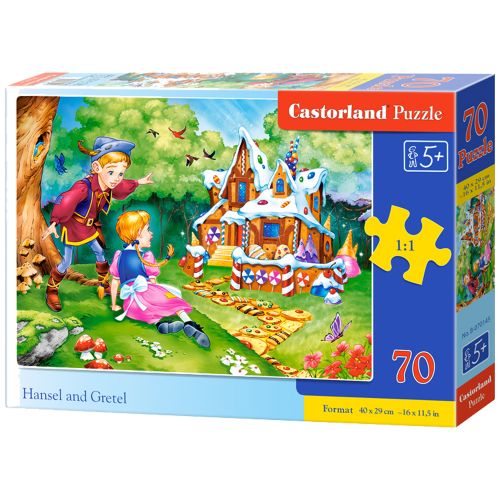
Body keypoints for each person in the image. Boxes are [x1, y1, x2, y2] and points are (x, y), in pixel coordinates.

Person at [42, 137, 153, 312]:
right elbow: (66, 200)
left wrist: (138, 182)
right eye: (111, 172)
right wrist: (55, 221)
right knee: (67, 260)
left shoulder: (109, 185)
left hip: (89, 228)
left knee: (100, 252)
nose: (116, 178)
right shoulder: (83, 187)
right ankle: (51, 289)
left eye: (121, 173)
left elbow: (122, 187)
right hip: (73, 227)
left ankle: (104, 284)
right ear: (96, 167)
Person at [110, 210, 210, 348]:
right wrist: (158, 291)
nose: (151, 234)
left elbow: (115, 281)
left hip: (131, 305)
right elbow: (153, 283)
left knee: (149, 310)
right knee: (172, 299)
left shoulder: (119, 256)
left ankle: (160, 324)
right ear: (138, 232)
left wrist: (114, 305)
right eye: (148, 230)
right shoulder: (146, 257)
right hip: (146, 293)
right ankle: (189, 323)